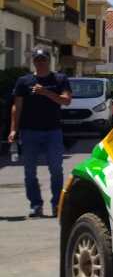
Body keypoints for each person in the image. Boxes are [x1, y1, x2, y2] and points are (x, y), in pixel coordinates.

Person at [8, 49, 72, 218]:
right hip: (29, 132)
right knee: (30, 171)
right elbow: (17, 107)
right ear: (33, 62)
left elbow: (66, 101)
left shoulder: (60, 79)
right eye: (37, 59)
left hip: (53, 131)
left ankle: (57, 204)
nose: (40, 62)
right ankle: (36, 205)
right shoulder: (24, 81)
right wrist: (13, 129)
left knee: (56, 169)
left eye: (43, 59)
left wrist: (46, 92)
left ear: (49, 61)